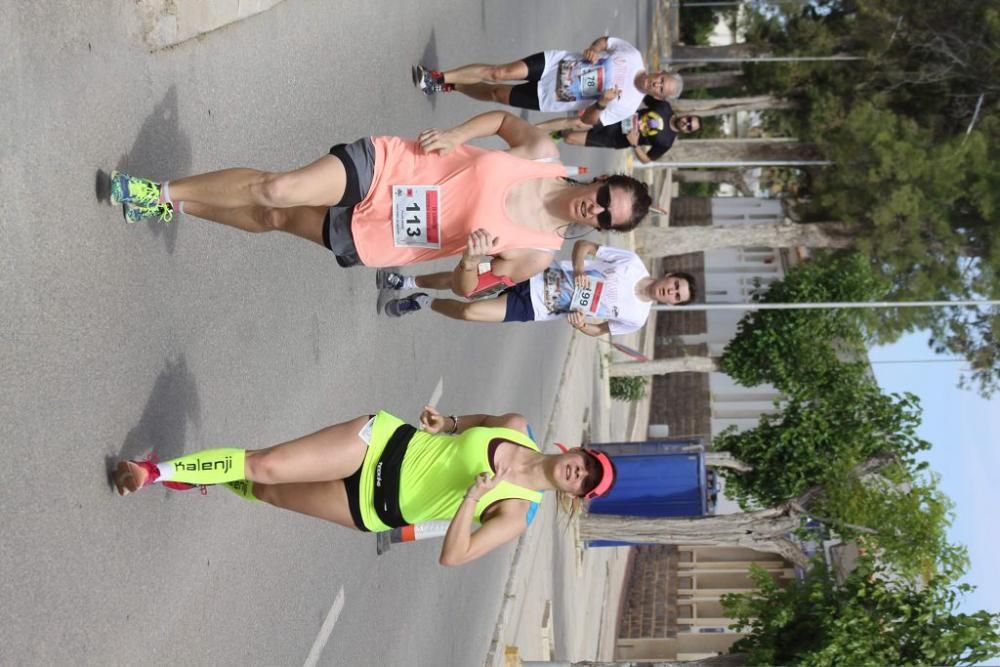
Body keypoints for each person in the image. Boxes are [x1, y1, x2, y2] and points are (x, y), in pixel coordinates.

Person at [109, 110, 651, 287]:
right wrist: (461, 136)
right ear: (600, 182)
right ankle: (157, 189)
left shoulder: (536, 253)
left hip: (385, 236)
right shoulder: (540, 152)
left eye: (607, 218)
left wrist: (469, 262)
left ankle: (174, 206)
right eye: (606, 197)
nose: (597, 209)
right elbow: (507, 121)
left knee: (274, 216)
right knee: (279, 188)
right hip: (393, 169)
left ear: (602, 227)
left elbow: (470, 288)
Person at [112, 406, 617, 567]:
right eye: (586, 464)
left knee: (265, 490)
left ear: (574, 497)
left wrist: (472, 499)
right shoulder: (517, 423)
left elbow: (454, 556)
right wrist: (449, 423)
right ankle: (153, 472)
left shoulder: (514, 514)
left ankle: (199, 476)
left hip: (372, 504)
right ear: (574, 449)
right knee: (266, 466)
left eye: (586, 484)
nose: (580, 474)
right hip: (383, 443)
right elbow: (475, 421)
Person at [379, 239, 696, 337]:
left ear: (672, 305)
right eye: (676, 286)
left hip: (538, 307)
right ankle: (407, 281)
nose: (672, 293)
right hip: (534, 273)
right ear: (670, 275)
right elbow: (585, 245)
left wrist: (582, 325)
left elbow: (600, 331)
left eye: (677, 298)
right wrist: (582, 270)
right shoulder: (631, 263)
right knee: (463, 282)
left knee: (471, 311)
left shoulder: (637, 318)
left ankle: (422, 302)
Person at [413, 36, 683, 128]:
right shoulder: (633, 56)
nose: (657, 86)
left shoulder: (629, 106)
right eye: (662, 81)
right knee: (499, 73)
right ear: (659, 73)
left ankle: (453, 85)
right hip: (555, 64)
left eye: (661, 91)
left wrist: (601, 103)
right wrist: (593, 49)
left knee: (496, 94)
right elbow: (605, 42)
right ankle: (437, 77)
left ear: (658, 97)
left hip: (551, 97)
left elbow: (588, 121)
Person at [542, 100, 702, 164]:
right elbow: (642, 95)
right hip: (615, 118)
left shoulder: (666, 142)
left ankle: (557, 134)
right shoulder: (665, 108)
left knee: (570, 137)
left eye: (689, 126)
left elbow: (647, 160)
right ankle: (537, 129)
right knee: (577, 123)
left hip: (616, 140)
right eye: (689, 120)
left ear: (687, 132)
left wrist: (634, 145)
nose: (686, 123)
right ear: (687, 115)